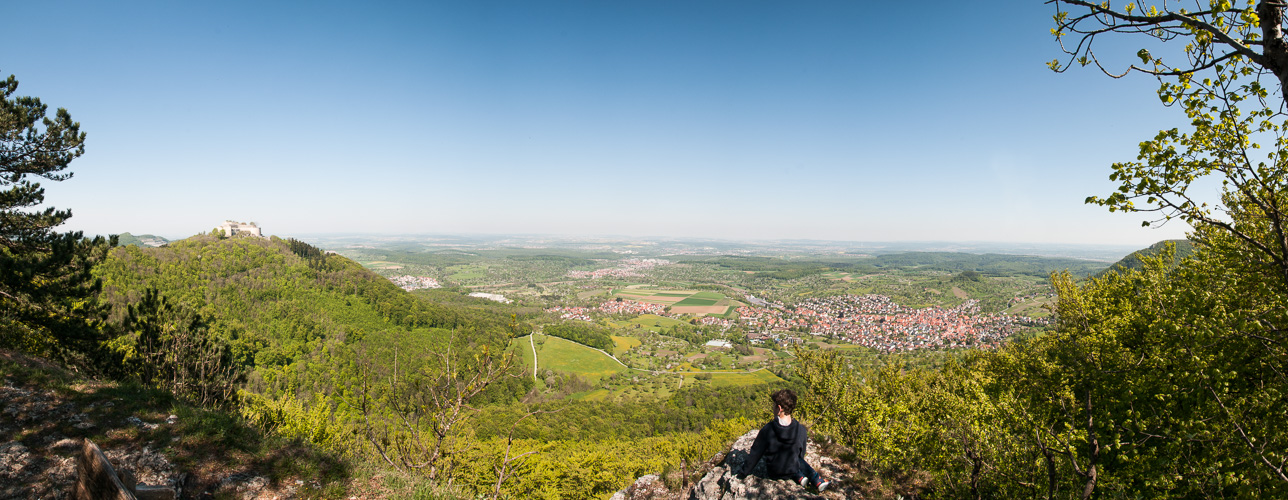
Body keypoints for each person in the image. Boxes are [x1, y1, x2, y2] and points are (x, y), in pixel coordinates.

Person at [738, 389, 830, 492]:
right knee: (796, 459)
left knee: (788, 459)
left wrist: (743, 472)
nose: (772, 409)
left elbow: (755, 454)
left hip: (774, 472)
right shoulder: (801, 430)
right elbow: (801, 454)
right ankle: (812, 479)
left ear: (779, 408)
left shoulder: (768, 429)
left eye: (774, 406)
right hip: (792, 468)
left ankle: (801, 477)